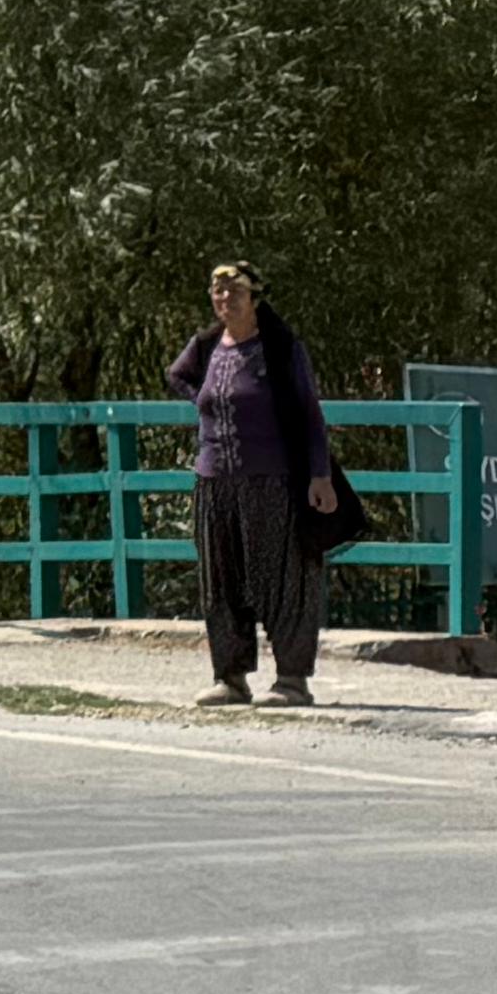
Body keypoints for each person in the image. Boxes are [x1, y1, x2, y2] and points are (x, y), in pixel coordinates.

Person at [166, 263, 338, 709]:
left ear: (255, 299)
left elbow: (308, 412)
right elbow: (179, 376)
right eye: (217, 292)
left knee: (282, 580)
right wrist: (206, 400)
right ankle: (230, 677)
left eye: (234, 292)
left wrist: (320, 475)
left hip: (273, 481)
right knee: (221, 582)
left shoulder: (279, 349)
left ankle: (292, 679)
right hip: (214, 482)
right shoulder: (206, 347)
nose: (224, 299)